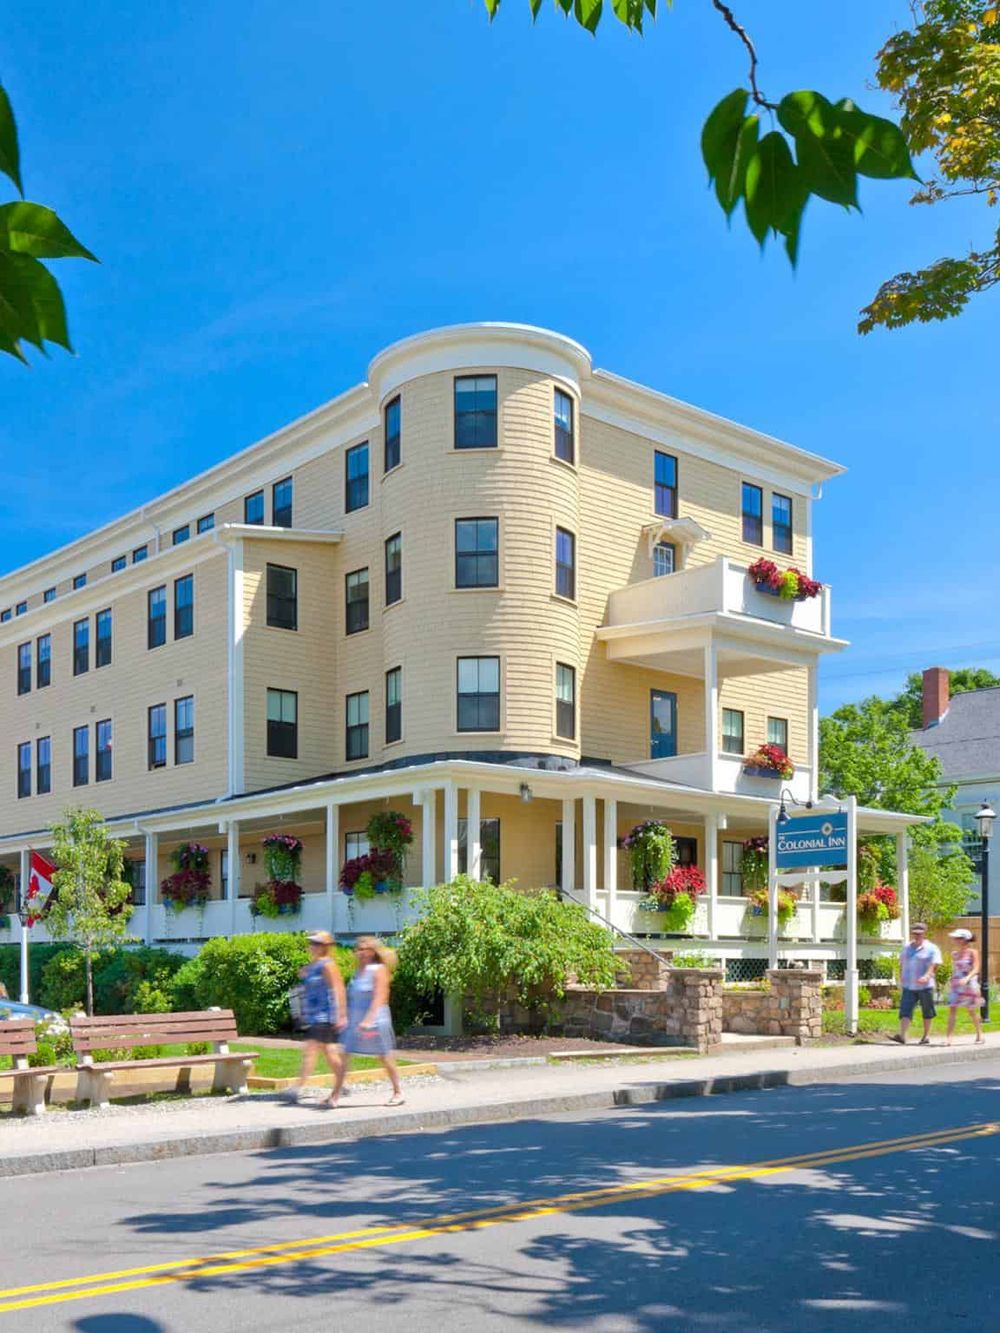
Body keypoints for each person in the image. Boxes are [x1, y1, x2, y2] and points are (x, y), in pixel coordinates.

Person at [330, 935, 403, 1108]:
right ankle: (335, 1095)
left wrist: (369, 1020)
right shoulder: (358, 972)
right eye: (358, 949)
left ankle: (398, 1092)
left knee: (384, 1056)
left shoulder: (379, 970)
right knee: (345, 1054)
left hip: (376, 1020)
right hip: (355, 1021)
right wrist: (344, 1017)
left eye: (365, 949)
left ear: (372, 952)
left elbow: (380, 997)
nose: (361, 952)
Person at [290, 930, 347, 1103]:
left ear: (325, 947)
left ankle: (296, 1089)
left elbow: (338, 989)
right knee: (330, 1053)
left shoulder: (328, 965)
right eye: (311, 943)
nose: (312, 946)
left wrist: (341, 1015)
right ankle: (342, 1083)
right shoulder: (314, 965)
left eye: (316, 943)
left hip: (324, 1016)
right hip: (315, 1016)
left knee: (311, 1050)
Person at [891, 922, 942, 1045]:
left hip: (925, 986)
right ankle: (902, 1036)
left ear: (924, 933)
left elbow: (935, 964)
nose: (917, 935)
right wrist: (901, 977)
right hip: (909, 985)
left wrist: (927, 975)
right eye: (915, 933)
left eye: (919, 933)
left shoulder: (931, 948)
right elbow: (902, 963)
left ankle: (926, 1036)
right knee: (905, 1009)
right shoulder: (907, 948)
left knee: (927, 1011)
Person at [945, 927, 985, 1045]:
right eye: (955, 938)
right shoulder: (955, 954)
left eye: (958, 938)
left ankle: (979, 1034)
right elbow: (955, 970)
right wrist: (951, 980)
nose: (955, 940)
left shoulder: (973, 952)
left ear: (964, 939)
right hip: (957, 984)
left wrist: (967, 978)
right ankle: (949, 1038)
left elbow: (976, 968)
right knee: (952, 1008)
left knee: (971, 1010)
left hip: (969, 984)